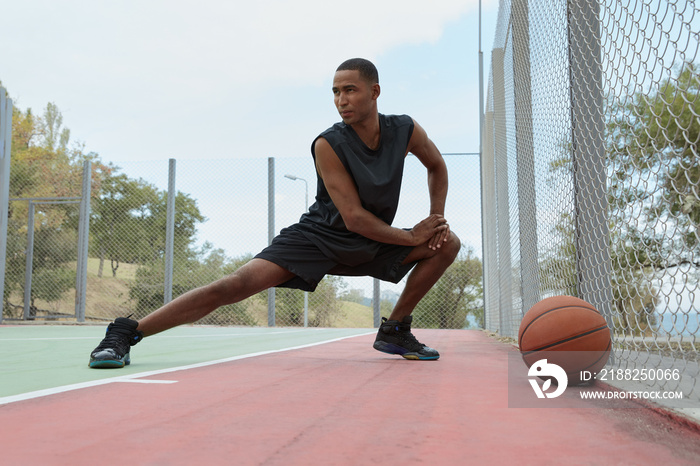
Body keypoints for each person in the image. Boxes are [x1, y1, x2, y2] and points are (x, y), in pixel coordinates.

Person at [89, 58, 460, 368]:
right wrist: (412, 236)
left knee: (447, 244)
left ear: (374, 91)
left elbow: (437, 166)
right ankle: (125, 333)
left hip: (373, 240)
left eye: (350, 90)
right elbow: (353, 218)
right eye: (335, 91)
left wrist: (436, 221)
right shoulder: (328, 144)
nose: (341, 99)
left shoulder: (405, 129)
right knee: (233, 285)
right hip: (320, 238)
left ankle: (395, 329)